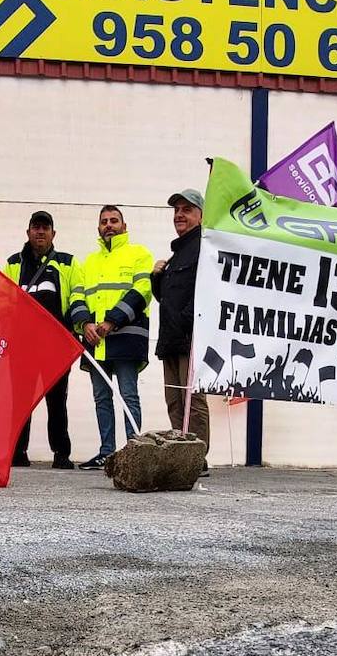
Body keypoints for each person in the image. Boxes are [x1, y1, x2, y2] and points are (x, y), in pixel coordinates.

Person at [68, 205, 154, 470]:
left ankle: (134, 451)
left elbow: (143, 290)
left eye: (114, 220)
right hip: (96, 341)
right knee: (101, 398)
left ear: (124, 226)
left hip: (125, 337)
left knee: (128, 394)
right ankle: (106, 451)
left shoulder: (139, 254)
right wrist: (85, 324)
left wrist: (110, 321)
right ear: (98, 228)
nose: (109, 225)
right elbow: (77, 295)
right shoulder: (89, 262)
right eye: (104, 221)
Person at [4, 211, 78, 469]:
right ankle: (17, 452)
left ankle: (61, 453)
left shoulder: (68, 263)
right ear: (28, 232)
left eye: (45, 228)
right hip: (22, 346)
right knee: (20, 400)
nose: (40, 232)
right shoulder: (13, 263)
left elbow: (76, 299)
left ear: (53, 234)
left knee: (58, 402)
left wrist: (76, 331)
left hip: (56, 346)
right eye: (36, 227)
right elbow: (4, 304)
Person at [152, 188, 209, 477]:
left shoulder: (204, 248)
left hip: (189, 337)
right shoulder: (177, 253)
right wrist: (156, 278)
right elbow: (166, 299)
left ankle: (197, 457)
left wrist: (187, 323)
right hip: (170, 338)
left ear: (201, 215)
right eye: (177, 210)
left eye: (187, 209)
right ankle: (180, 454)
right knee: (174, 400)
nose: (179, 215)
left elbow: (203, 293)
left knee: (192, 400)